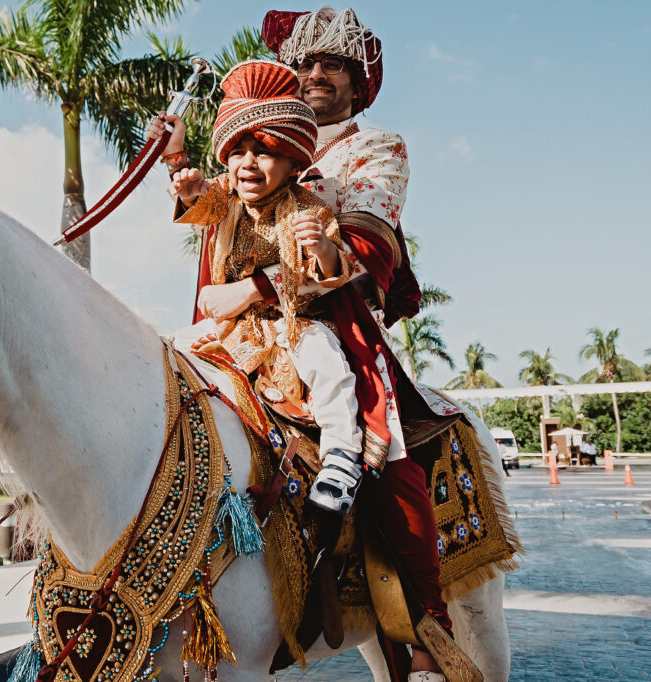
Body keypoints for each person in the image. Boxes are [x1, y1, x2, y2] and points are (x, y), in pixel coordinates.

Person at [153, 7, 461, 678]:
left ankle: (428, 628)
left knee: (389, 453)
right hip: (235, 335)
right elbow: (211, 203)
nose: (316, 73)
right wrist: (179, 161)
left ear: (358, 83)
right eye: (306, 64)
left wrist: (251, 289)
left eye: (333, 65)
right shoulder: (251, 146)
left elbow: (363, 245)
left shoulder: (378, 148)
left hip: (334, 322)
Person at [163, 59, 367, 514]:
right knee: (166, 351)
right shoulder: (226, 198)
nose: (248, 163)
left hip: (292, 329)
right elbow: (198, 201)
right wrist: (182, 168)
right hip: (230, 331)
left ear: (294, 163)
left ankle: (340, 461)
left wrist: (324, 249)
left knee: (327, 362)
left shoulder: (307, 208)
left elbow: (328, 272)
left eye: (264, 151)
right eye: (238, 152)